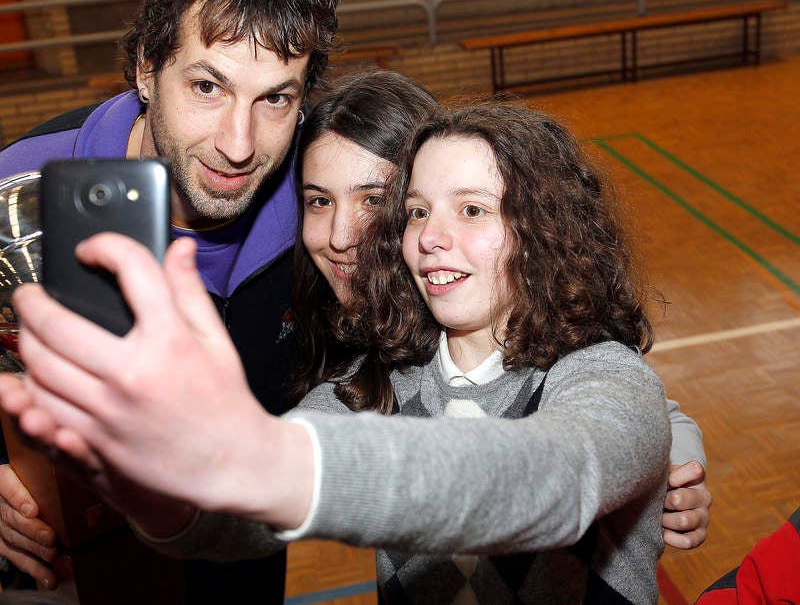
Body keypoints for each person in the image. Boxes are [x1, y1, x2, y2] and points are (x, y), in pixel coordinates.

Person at [2, 102, 697, 603]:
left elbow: (553, 478)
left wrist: (268, 460)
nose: (427, 237)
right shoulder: (371, 386)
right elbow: (233, 530)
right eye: (417, 211)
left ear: (546, 229)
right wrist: (155, 498)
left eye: (473, 209)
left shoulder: (607, 378)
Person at [0, 0, 338, 600]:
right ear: (146, 69)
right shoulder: (22, 187)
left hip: (245, 547)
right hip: (83, 562)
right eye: (208, 86)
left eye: (275, 99)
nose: (238, 146)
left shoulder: (322, 205)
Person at [291, 69, 709, 546]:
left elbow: (595, 433)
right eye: (419, 212)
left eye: (375, 200)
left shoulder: (594, 369)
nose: (342, 237)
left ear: (540, 228)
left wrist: (667, 456)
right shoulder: (369, 367)